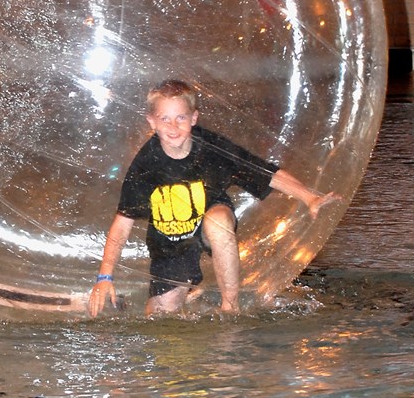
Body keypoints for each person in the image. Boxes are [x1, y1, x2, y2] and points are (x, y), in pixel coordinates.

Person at [88, 79, 340, 318]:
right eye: (164, 119)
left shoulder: (211, 148)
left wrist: (309, 197)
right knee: (161, 317)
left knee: (217, 222)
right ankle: (191, 290)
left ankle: (230, 307)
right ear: (151, 122)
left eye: (181, 118)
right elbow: (122, 224)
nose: (173, 126)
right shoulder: (145, 165)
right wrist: (104, 278)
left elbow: (264, 172)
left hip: (211, 214)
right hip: (170, 239)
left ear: (194, 118)